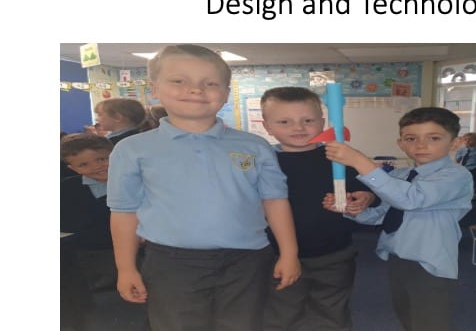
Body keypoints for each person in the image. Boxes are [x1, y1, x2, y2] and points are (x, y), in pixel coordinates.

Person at [107, 44, 301, 331]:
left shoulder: (255, 146)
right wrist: (125, 268)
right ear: (154, 88)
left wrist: (289, 253)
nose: (195, 90)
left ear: (225, 93)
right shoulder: (132, 149)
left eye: (210, 83)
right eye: (179, 81)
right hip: (171, 261)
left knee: (244, 325)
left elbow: (275, 201)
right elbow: (124, 211)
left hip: (247, 260)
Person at [322, 107, 473, 331]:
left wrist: (359, 161)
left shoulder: (456, 176)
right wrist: (352, 208)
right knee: (407, 316)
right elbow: (382, 215)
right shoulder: (399, 176)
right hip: (398, 257)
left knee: (431, 322)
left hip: (430, 262)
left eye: (434, 138)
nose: (421, 145)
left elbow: (410, 199)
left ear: (455, 143)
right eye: (411, 138)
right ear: (401, 143)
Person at [259, 86, 376, 331]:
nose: (298, 128)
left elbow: (367, 190)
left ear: (322, 123)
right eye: (284, 121)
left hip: (334, 254)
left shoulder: (339, 157)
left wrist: (364, 198)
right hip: (277, 255)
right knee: (282, 314)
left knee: (332, 314)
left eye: (308, 120)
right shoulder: (264, 162)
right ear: (267, 126)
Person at [60, 133, 115, 329]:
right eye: (83, 165)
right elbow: (68, 225)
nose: (96, 167)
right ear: (73, 168)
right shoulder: (68, 189)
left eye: (101, 159)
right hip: (88, 252)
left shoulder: (138, 181)